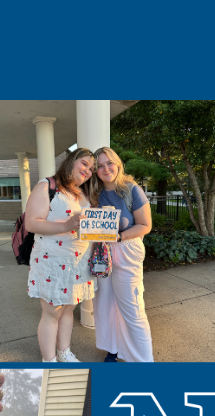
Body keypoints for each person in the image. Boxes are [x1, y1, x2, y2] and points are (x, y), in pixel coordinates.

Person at [24, 148, 96, 363]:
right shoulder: (47, 186)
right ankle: (49, 359)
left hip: (79, 261)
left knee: (68, 309)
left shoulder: (82, 192)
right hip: (53, 261)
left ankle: (64, 352)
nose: (88, 171)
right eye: (84, 164)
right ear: (71, 161)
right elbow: (31, 222)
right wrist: (65, 225)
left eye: (92, 168)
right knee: (52, 312)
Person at [87, 147, 156, 363]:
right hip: (102, 252)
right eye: (99, 166)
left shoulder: (131, 190)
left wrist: (118, 238)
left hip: (126, 250)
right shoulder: (94, 194)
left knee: (133, 309)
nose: (105, 169)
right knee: (105, 305)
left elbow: (145, 225)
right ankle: (113, 349)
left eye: (109, 163)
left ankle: (143, 361)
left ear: (118, 164)